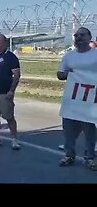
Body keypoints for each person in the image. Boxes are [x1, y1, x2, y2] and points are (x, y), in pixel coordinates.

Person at [57, 27, 97, 170]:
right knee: (68, 130)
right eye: (76, 35)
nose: (79, 37)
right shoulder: (69, 56)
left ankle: (90, 157)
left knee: (89, 130)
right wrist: (69, 74)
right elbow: (60, 74)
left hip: (89, 100)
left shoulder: (95, 55)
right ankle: (69, 155)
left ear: (89, 37)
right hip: (72, 100)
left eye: (82, 35)